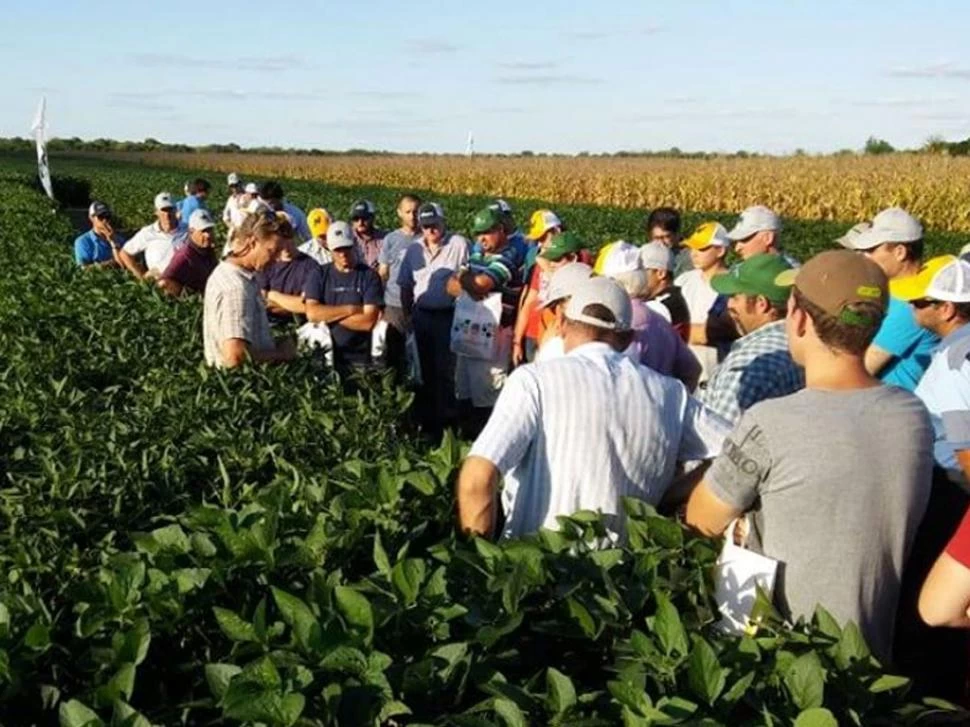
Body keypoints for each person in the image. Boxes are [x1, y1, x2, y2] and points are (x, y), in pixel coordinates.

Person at [686, 250, 933, 665]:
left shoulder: (771, 422)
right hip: (872, 661)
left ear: (798, 319)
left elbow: (702, 520)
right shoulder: (912, 416)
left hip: (788, 662)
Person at [457, 276, 728, 540]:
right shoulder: (671, 393)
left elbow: (476, 479)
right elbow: (735, 452)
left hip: (536, 567)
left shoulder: (533, 381)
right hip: (628, 576)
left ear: (561, 323)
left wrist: (478, 563)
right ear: (627, 338)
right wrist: (671, 495)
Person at [890, 255, 970, 700]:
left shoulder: (955, 361)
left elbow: (966, 450)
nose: (913, 310)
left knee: (930, 606)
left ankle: (933, 696)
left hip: (950, 492)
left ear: (947, 310)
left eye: (921, 302)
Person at [840, 207, 940, 392]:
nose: (864, 257)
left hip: (889, 405)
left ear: (900, 252)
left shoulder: (910, 306)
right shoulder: (892, 293)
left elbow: (861, 368)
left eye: (871, 250)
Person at [698, 254, 804, 425]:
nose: (729, 305)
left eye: (735, 296)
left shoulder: (747, 365)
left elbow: (719, 441)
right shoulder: (803, 348)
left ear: (761, 303)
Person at [451, 206, 529, 436]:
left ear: (501, 230)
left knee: (488, 392)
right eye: (477, 234)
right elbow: (451, 286)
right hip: (469, 333)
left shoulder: (509, 256)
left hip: (495, 336)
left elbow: (481, 284)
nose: (481, 238)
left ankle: (486, 443)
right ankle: (466, 438)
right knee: (463, 389)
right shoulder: (478, 254)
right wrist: (469, 283)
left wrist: (466, 280)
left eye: (487, 232)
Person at [398, 203, 469, 435]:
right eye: (426, 226)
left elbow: (468, 276)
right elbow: (406, 286)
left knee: (448, 371)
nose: (430, 231)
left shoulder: (458, 244)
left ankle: (450, 422)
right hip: (421, 317)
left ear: (443, 221)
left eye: (434, 225)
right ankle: (428, 422)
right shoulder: (413, 250)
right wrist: (408, 315)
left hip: (448, 317)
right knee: (422, 371)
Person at [203, 209, 296, 368]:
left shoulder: (226, 272)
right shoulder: (236, 289)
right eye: (272, 251)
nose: (277, 258)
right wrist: (282, 354)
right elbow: (235, 358)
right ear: (252, 243)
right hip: (240, 386)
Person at [311, 221, 384, 374]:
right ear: (330, 249)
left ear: (354, 245)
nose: (343, 254)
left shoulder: (369, 276)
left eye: (346, 248)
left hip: (360, 358)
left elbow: (368, 321)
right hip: (326, 355)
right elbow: (312, 313)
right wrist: (351, 309)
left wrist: (328, 316)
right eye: (337, 250)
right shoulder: (319, 274)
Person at [675, 221, 731, 382]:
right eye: (692, 247)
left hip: (716, 371)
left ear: (720, 250)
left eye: (701, 248)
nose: (694, 253)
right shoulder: (683, 281)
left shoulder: (733, 286)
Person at [514, 217, 571, 366]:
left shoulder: (574, 258)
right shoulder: (540, 261)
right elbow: (528, 301)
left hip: (555, 335)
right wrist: (517, 340)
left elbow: (567, 293)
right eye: (538, 240)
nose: (541, 244)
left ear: (556, 231)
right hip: (533, 332)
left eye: (543, 238)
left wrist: (546, 266)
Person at [378, 194, 423, 379]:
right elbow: (383, 272)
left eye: (416, 211)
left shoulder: (426, 237)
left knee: (419, 353)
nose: (412, 216)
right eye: (408, 212)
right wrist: (380, 304)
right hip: (394, 305)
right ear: (399, 213)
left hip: (419, 304)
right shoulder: (391, 239)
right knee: (393, 352)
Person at [258, 216, 325, 325]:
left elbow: (305, 305)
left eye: (286, 239)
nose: (284, 246)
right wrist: (290, 303)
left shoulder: (311, 267)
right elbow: (260, 301)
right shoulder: (267, 263)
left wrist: (273, 295)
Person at [119, 192, 186, 281]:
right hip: (158, 282)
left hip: (184, 281)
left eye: (170, 209)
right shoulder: (148, 233)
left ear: (176, 209)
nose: (167, 215)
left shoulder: (188, 230)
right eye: (163, 210)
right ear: (156, 212)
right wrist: (141, 278)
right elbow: (124, 253)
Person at [158, 209, 219, 296]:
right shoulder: (184, 256)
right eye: (203, 231)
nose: (208, 235)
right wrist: (188, 295)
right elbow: (163, 282)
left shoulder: (207, 249)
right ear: (191, 231)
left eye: (210, 230)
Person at [640, 241, 690, 339]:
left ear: (661, 273)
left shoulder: (659, 307)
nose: (637, 277)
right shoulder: (675, 297)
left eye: (641, 271)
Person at [726, 205, 797, 266]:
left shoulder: (793, 277)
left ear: (768, 238)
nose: (737, 248)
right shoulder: (738, 271)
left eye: (744, 239)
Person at [74, 201, 124, 268]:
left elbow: (123, 265)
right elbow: (84, 268)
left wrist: (113, 242)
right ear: (91, 218)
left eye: (107, 216)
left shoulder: (120, 240)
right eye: (100, 216)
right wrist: (111, 263)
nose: (105, 220)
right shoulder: (83, 242)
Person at [646, 206, 690, 277]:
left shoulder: (689, 258)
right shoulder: (646, 255)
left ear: (677, 234)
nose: (661, 243)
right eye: (656, 238)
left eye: (666, 237)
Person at [350, 199, 385, 269]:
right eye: (356, 218)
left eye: (364, 218)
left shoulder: (384, 238)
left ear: (372, 218)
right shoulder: (347, 237)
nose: (360, 222)